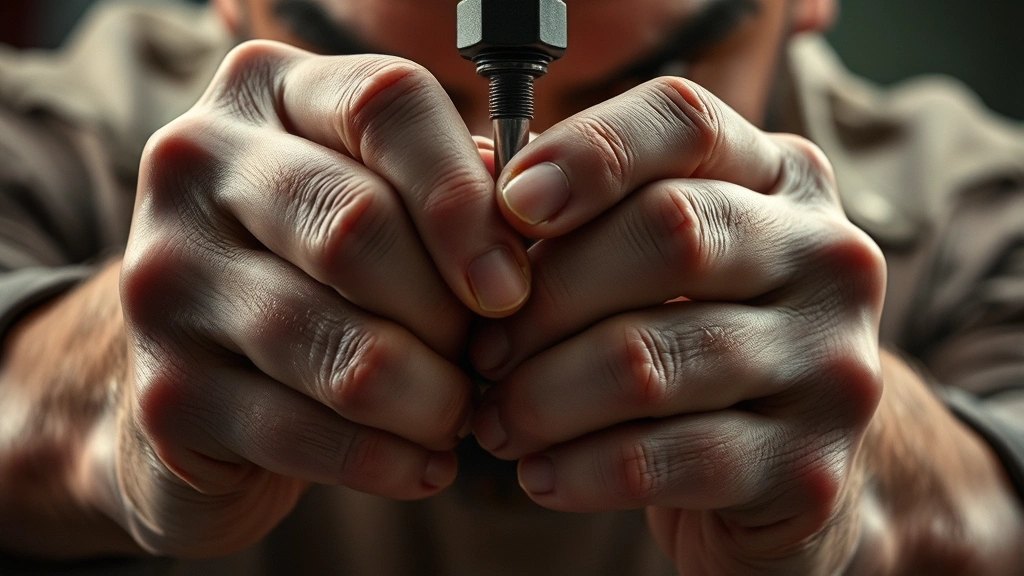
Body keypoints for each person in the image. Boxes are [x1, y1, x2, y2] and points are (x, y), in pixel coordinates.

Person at [0, 0, 1022, 573]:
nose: (505, 225)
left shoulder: (981, 206)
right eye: (371, 90)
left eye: (651, 88)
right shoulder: (52, 135)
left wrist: (871, 471)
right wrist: (98, 386)